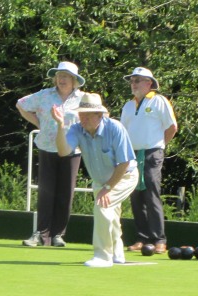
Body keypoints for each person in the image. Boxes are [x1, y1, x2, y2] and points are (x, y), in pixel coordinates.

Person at [51, 92, 139, 267]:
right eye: (81, 114)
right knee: (111, 214)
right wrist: (60, 125)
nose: (83, 118)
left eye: (87, 115)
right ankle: (116, 252)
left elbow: (124, 162)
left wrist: (108, 187)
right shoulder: (77, 129)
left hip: (124, 176)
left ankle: (102, 256)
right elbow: (63, 151)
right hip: (101, 181)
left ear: (100, 115)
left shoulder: (115, 128)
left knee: (102, 206)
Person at [16, 61, 85, 247]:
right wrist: (40, 124)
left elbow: (92, 118)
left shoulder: (82, 99)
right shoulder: (45, 95)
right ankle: (40, 234)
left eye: (65, 76)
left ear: (74, 80)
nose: (61, 80)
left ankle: (58, 235)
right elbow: (21, 104)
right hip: (47, 147)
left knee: (66, 193)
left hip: (71, 150)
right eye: (59, 76)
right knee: (46, 193)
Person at [121, 67, 178, 254]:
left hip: (153, 152)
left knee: (151, 192)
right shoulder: (128, 106)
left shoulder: (159, 101)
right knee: (135, 195)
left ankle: (159, 239)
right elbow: (122, 132)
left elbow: (172, 127)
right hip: (132, 154)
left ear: (149, 83)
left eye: (138, 80)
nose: (134, 84)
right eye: (132, 80)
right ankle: (142, 238)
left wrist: (159, 146)